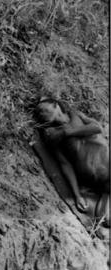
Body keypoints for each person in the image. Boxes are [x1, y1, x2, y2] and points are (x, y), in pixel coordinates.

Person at [35, 96, 109, 227]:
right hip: (99, 180)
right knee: (105, 221)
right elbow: (65, 164)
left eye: (43, 110)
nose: (40, 115)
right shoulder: (52, 136)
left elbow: (97, 128)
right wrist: (77, 195)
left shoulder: (75, 114)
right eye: (38, 113)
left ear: (55, 105)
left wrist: (67, 132)